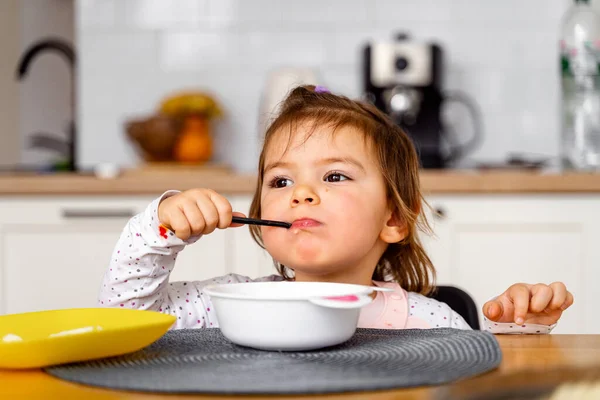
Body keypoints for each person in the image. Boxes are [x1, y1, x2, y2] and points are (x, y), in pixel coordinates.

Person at [99, 85, 573, 333]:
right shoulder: (224, 306)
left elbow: (480, 376)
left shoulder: (432, 321)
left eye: (334, 176)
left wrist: (515, 327)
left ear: (393, 219)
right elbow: (122, 318)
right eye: (281, 181)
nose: (300, 194)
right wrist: (161, 226)